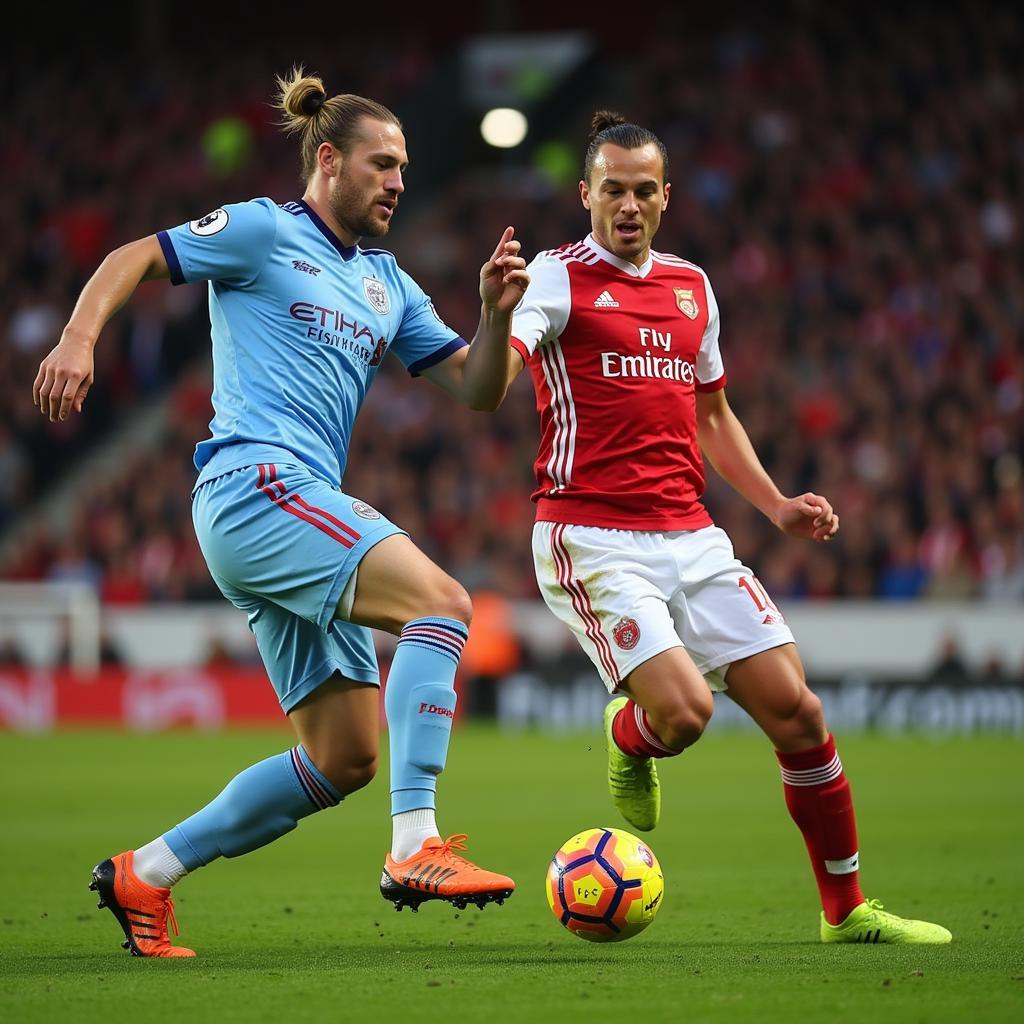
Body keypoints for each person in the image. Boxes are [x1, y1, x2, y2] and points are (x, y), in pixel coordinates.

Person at [32, 68, 527, 957]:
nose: (399, 181)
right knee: (443, 604)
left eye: (406, 167)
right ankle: (416, 844)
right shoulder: (263, 230)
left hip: (297, 508)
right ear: (328, 160)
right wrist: (78, 335)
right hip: (256, 487)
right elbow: (132, 257)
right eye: (382, 164)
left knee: (343, 758)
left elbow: (480, 391)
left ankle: (145, 872)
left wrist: (494, 318)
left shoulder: (390, 283)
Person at [498, 111, 951, 945]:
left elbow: (714, 417)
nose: (627, 206)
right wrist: (499, 317)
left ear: (666, 196)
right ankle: (630, 733)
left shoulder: (693, 286)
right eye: (612, 191)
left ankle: (845, 912)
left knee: (802, 715)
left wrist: (776, 503)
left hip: (692, 532)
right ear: (585, 195)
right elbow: (496, 372)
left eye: (643, 191)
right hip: (591, 536)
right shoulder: (555, 280)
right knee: (688, 716)